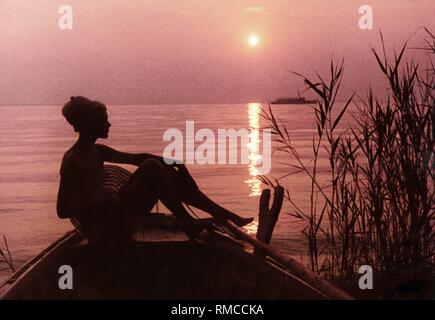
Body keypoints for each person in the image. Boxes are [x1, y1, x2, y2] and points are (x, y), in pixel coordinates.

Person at [56, 96, 253, 242]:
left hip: (119, 216)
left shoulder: (97, 151)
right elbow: (62, 209)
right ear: (89, 124)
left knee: (157, 166)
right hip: (103, 230)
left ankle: (221, 215)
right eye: (103, 120)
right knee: (152, 167)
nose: (109, 124)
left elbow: (137, 159)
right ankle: (189, 223)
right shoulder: (72, 160)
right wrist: (97, 200)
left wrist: (175, 163)